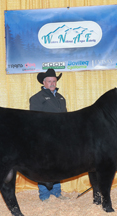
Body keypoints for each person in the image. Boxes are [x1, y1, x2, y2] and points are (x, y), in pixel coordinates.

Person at [29, 68, 69, 202]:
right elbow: (34, 120)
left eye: (54, 81)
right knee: (44, 165)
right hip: (44, 138)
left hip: (60, 137)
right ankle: (44, 194)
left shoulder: (61, 98)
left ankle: (57, 192)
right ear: (44, 83)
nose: (52, 83)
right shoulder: (36, 98)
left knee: (58, 164)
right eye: (49, 81)